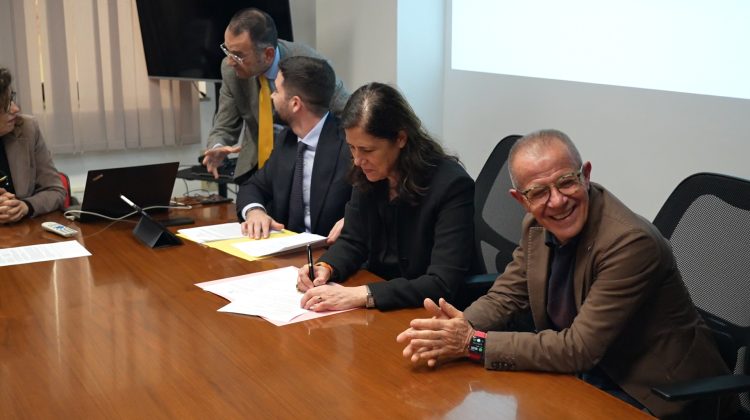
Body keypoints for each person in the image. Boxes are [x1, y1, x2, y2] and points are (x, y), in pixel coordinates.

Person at [395, 129, 733, 418]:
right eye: (539, 192)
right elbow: (506, 295)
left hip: (653, 391)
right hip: (587, 371)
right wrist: (457, 328)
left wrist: (473, 343)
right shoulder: (535, 225)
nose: (556, 201)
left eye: (566, 182)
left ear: (585, 175)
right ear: (521, 200)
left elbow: (579, 348)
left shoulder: (631, 243)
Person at [296, 82, 476, 312]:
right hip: (381, 302)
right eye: (352, 148)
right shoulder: (368, 173)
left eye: (367, 150)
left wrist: (363, 294)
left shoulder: (451, 185)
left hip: (429, 311)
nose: (357, 160)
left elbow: (441, 282)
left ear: (400, 139)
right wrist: (326, 267)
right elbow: (353, 240)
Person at [203, 7, 349, 183]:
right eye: (227, 51)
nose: (230, 61)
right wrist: (217, 147)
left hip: (303, 166)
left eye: (238, 56)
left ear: (268, 54)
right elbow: (225, 124)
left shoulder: (310, 65)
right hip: (256, 166)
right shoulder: (231, 71)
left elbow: (346, 113)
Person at [235, 56, 351, 243]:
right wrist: (255, 211)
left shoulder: (349, 145)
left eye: (276, 91)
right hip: (285, 251)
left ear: (295, 103)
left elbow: (377, 203)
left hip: (331, 253)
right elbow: (253, 186)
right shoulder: (286, 140)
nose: (272, 96)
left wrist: (354, 220)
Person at [0, 68, 65, 224]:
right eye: (6, 106)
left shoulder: (27, 128)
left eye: (12, 99)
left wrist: (25, 206)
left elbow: (55, 190)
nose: (16, 109)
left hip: (25, 232)